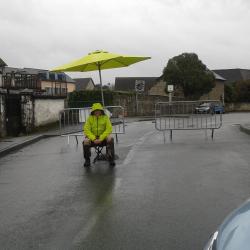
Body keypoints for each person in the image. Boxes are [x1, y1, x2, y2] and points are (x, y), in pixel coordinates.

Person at [83, 103, 115, 167]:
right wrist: (94, 139)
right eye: (95, 110)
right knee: (85, 141)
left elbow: (109, 129)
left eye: (98, 110)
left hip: (103, 137)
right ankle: (87, 160)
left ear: (101, 111)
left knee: (110, 138)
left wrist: (101, 138)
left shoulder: (105, 118)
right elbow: (86, 130)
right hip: (93, 138)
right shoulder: (89, 118)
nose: (97, 112)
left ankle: (111, 158)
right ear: (93, 111)